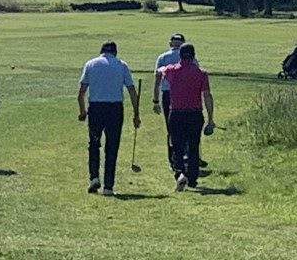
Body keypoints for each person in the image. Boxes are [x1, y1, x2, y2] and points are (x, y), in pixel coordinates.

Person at [77, 41, 140, 196]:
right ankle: (108, 186)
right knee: (112, 147)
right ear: (115, 52)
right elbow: (132, 91)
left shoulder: (91, 64)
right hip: (115, 109)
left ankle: (94, 177)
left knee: (94, 144)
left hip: (96, 108)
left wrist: (83, 111)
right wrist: (136, 114)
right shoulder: (122, 65)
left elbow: (81, 92)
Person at [155, 42, 215, 191]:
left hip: (177, 113)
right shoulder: (201, 73)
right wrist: (211, 118)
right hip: (195, 114)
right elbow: (207, 96)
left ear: (180, 55)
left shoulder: (172, 70)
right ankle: (193, 178)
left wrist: (161, 69)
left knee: (177, 146)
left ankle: (180, 173)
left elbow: (160, 71)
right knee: (194, 146)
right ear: (194, 56)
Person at [152, 33, 208, 169]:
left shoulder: (163, 57)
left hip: (168, 95)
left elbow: (157, 79)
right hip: (190, 95)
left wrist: (155, 100)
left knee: (172, 128)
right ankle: (191, 157)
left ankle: (175, 159)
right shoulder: (190, 58)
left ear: (170, 43)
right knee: (191, 132)